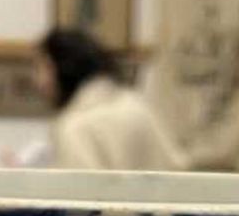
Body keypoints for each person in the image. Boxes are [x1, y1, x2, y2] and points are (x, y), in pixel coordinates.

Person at [37, 28, 188, 171]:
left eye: (43, 67)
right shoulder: (135, 105)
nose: (39, 81)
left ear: (63, 67)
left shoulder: (74, 126)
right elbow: (177, 167)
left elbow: (81, 192)